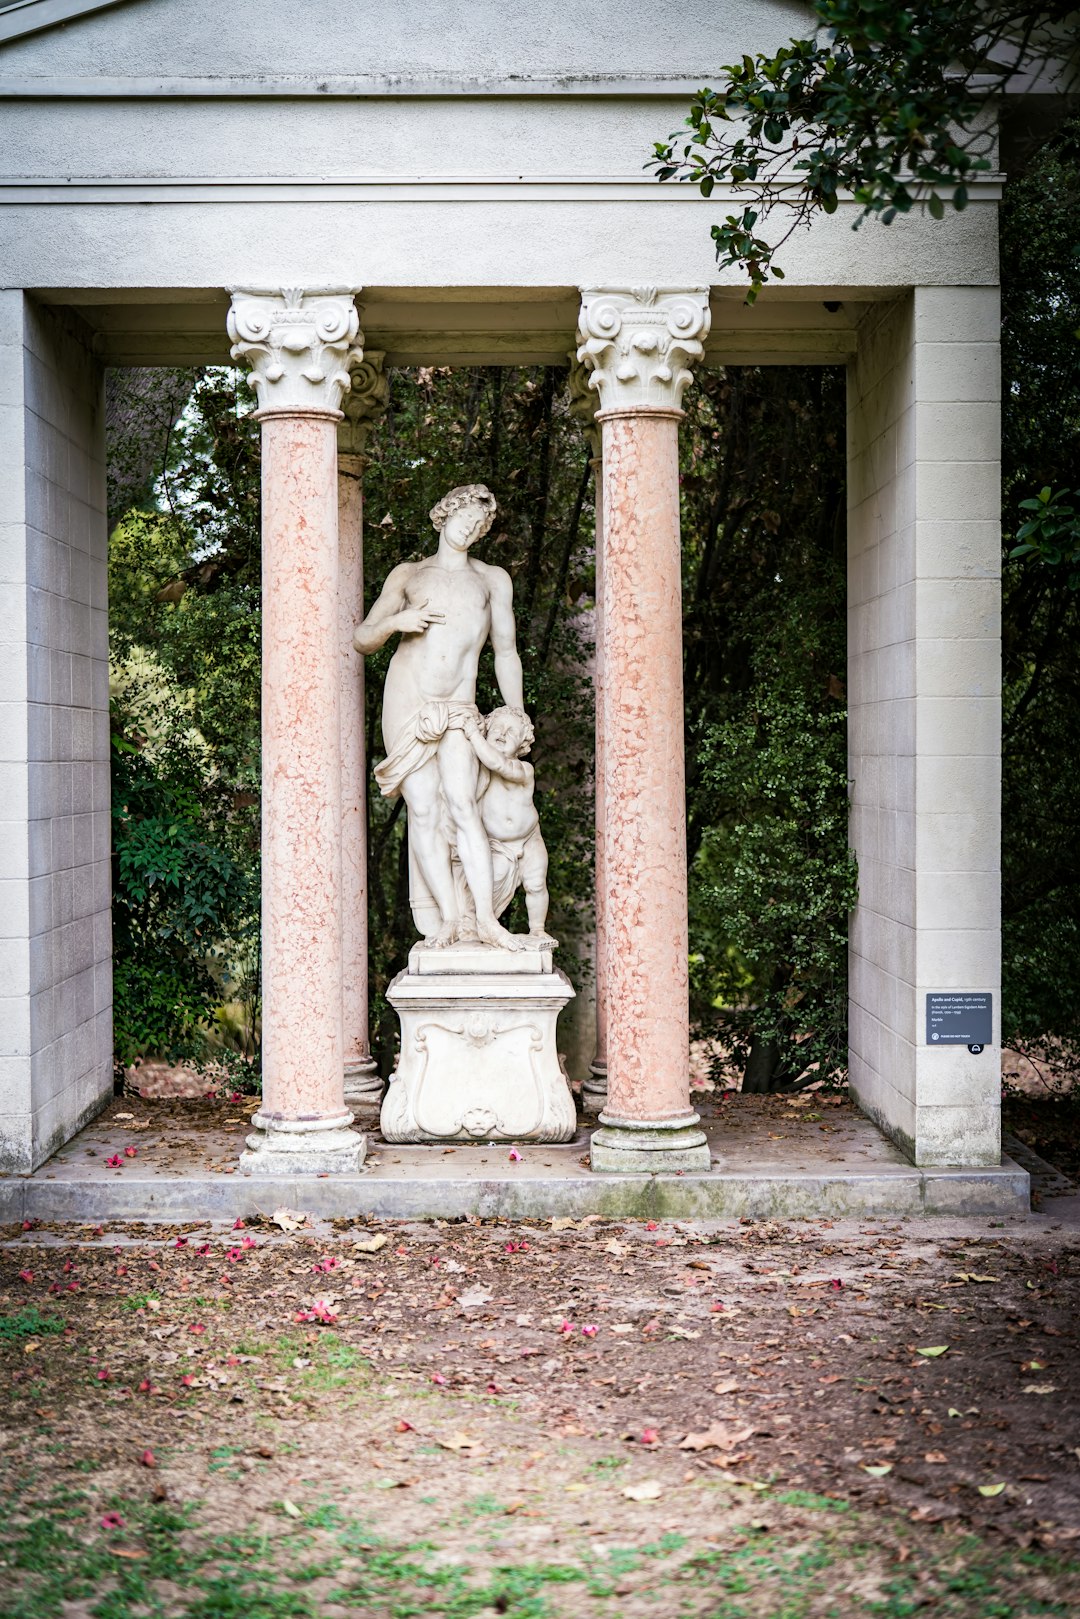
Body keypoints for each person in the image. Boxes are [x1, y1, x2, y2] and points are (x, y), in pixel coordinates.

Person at [353, 483, 527, 949]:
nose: (469, 529)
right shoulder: (409, 575)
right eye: (464, 518)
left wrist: (516, 710)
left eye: (478, 525)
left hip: (459, 707)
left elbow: (505, 653)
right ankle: (450, 919)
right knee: (425, 809)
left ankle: (487, 921)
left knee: (463, 803)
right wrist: (396, 623)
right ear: (444, 514)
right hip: (407, 701)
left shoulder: (492, 580)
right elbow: (362, 636)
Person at [457, 706, 557, 947]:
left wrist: (473, 735)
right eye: (497, 729)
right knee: (488, 884)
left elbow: (499, 764)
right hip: (497, 844)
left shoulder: (523, 769)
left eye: (511, 733)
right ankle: (473, 925)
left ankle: (537, 928)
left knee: (536, 883)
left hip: (529, 838)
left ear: (522, 745)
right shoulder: (478, 772)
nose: (502, 734)